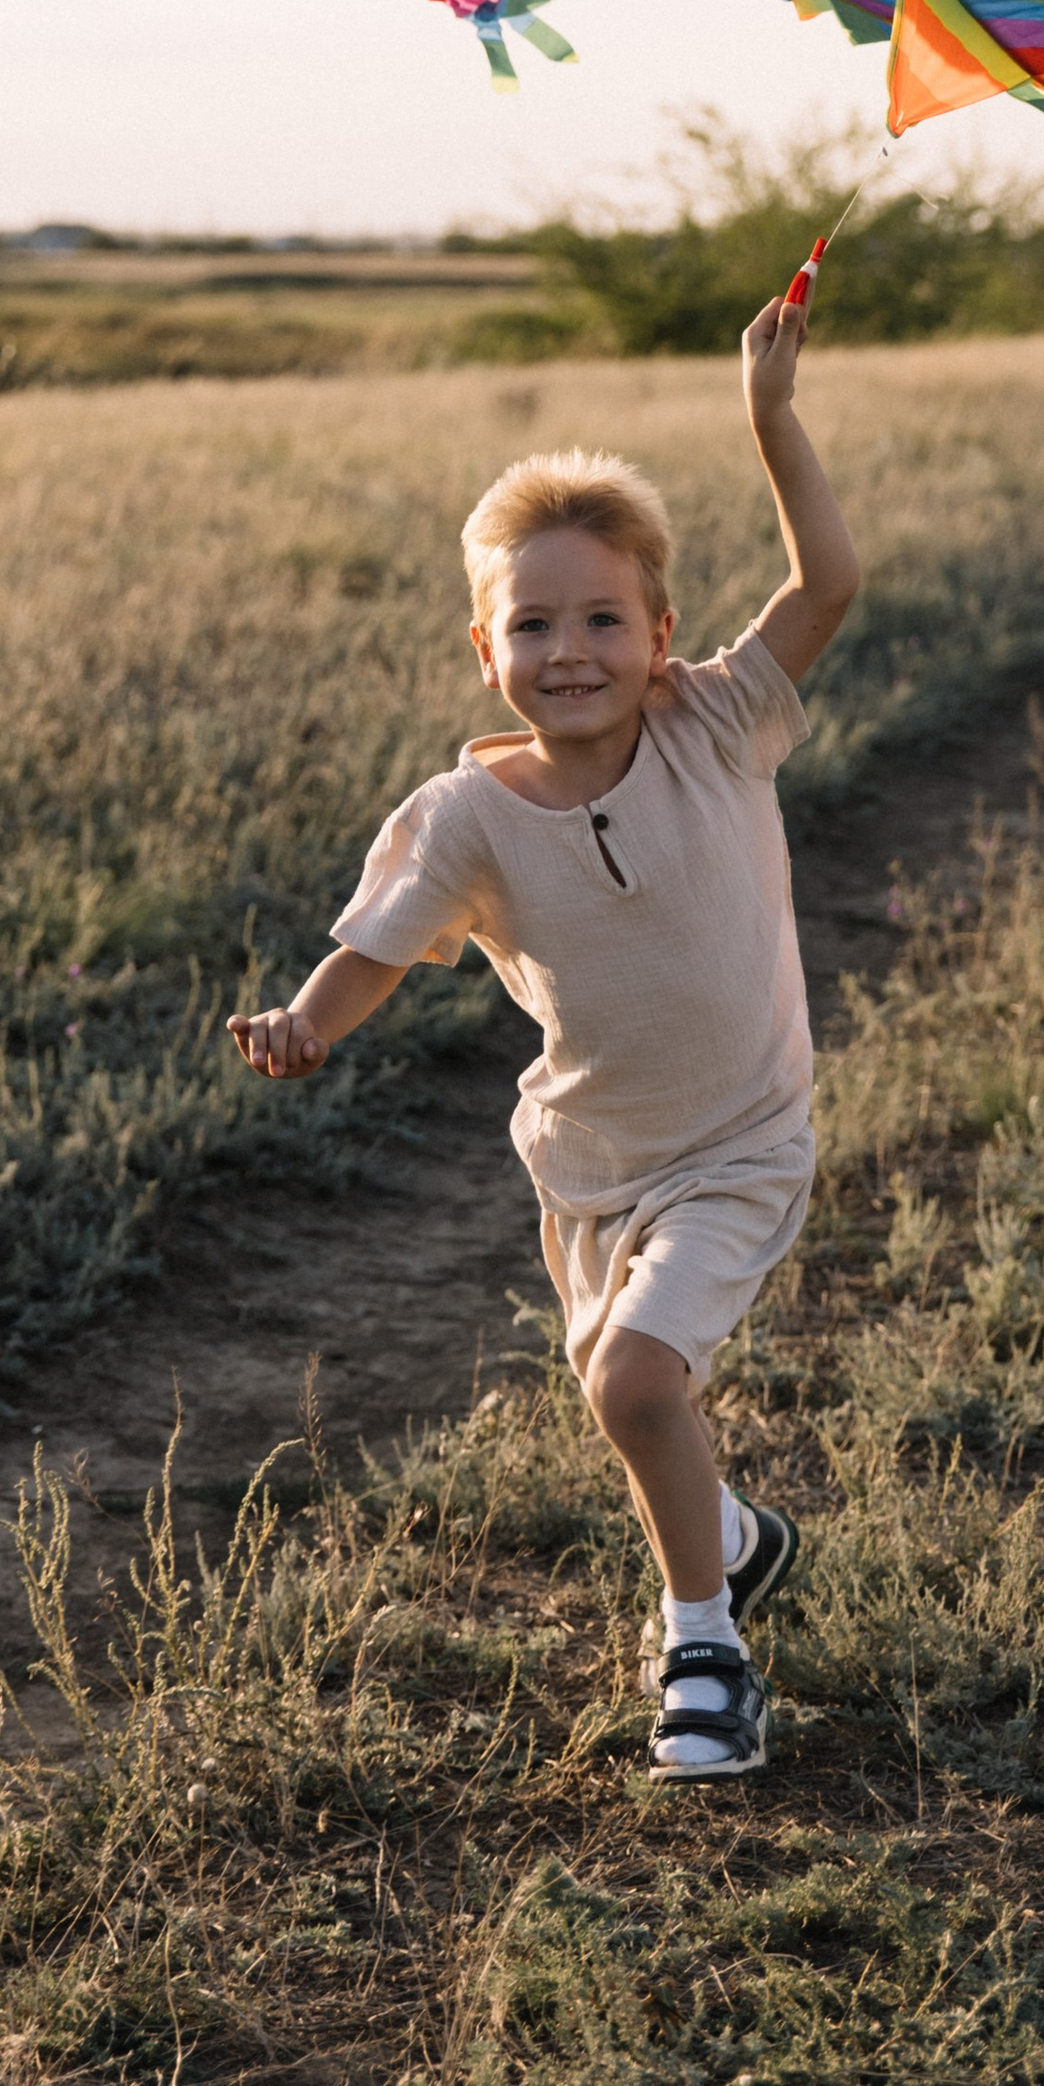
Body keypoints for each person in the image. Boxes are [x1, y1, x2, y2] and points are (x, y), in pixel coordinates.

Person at [228, 288, 859, 1780]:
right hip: (590, 1169)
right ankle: (739, 1542)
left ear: (659, 633)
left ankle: (703, 1642)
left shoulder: (716, 722)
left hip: (742, 1144)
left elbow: (827, 582)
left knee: (636, 1385)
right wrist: (305, 1026)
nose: (567, 648)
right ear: (484, 644)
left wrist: (770, 420)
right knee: (635, 1406)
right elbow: (373, 944)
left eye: (599, 619)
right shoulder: (466, 816)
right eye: (532, 622)